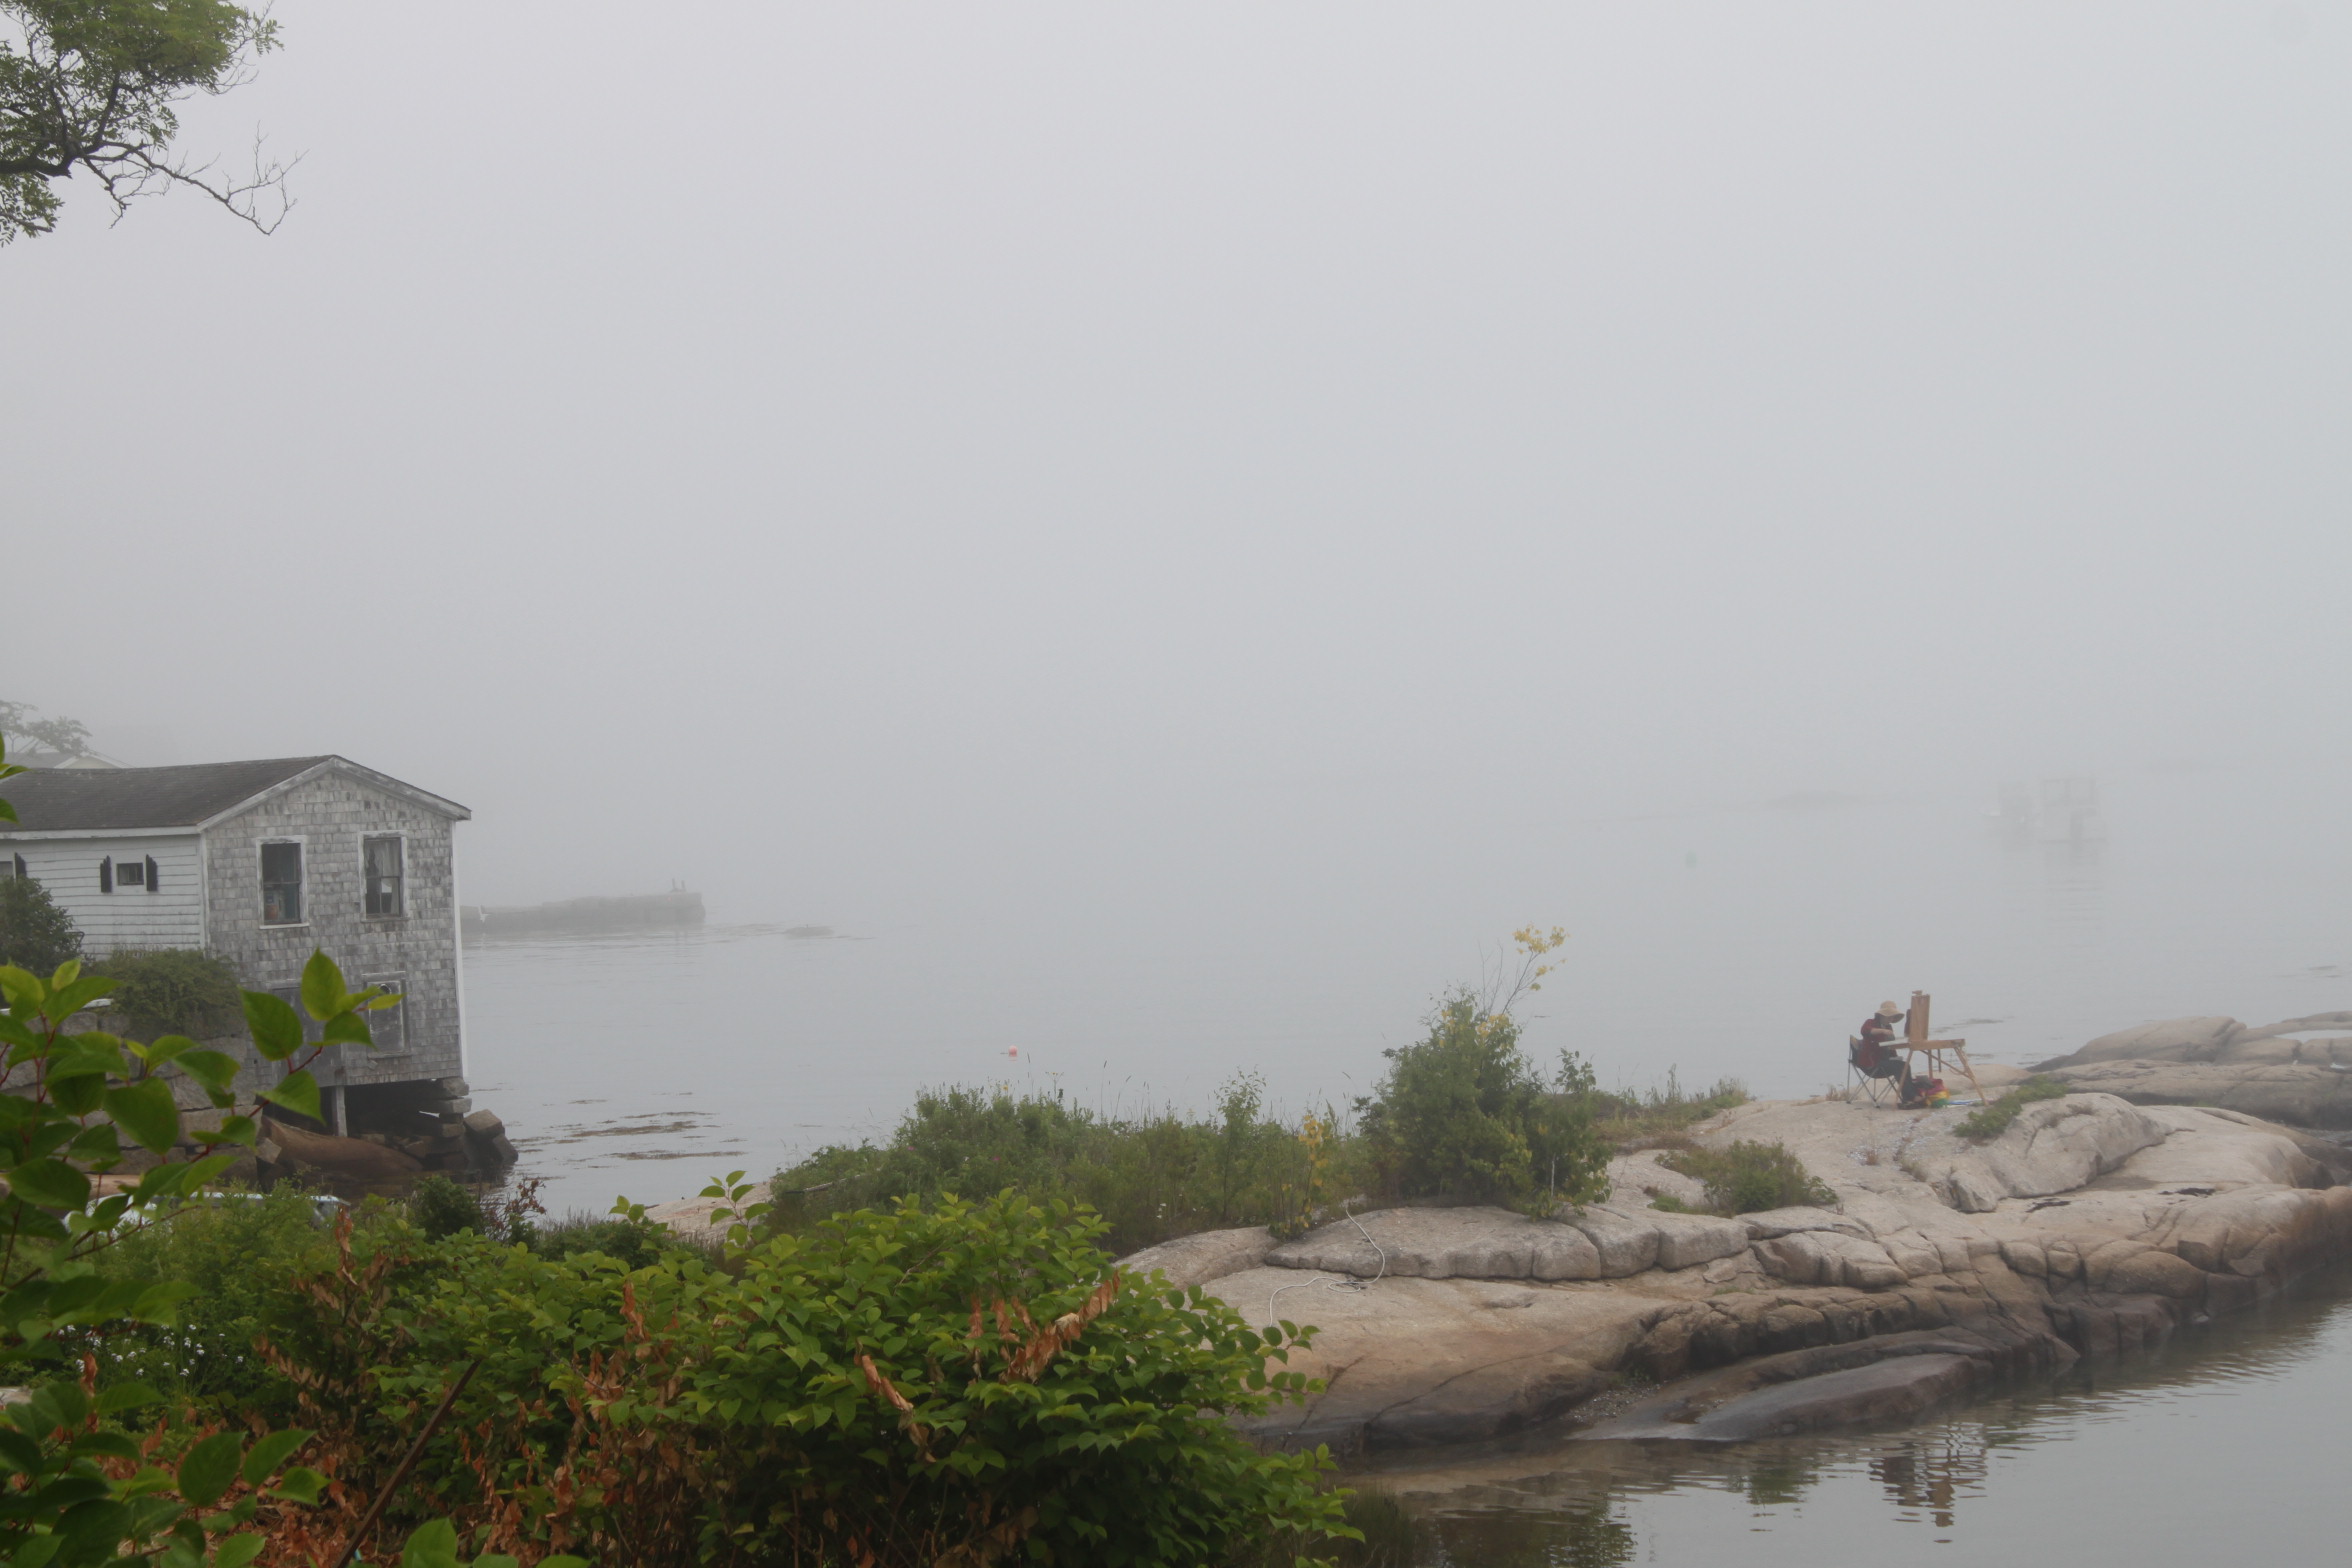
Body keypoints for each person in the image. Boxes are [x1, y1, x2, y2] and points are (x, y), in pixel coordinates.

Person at [1852, 1000, 1911, 1096]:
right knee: (1899, 1067)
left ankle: (1910, 1095)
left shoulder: (1889, 1027)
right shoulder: (1870, 1022)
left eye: (1892, 1017)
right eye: (1889, 1016)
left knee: (1905, 1065)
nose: (1891, 1019)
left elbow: (1890, 1047)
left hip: (1883, 1061)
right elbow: (1865, 1030)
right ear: (1882, 1015)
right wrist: (1882, 1031)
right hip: (1872, 1065)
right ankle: (1910, 1096)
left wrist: (1895, 1057)